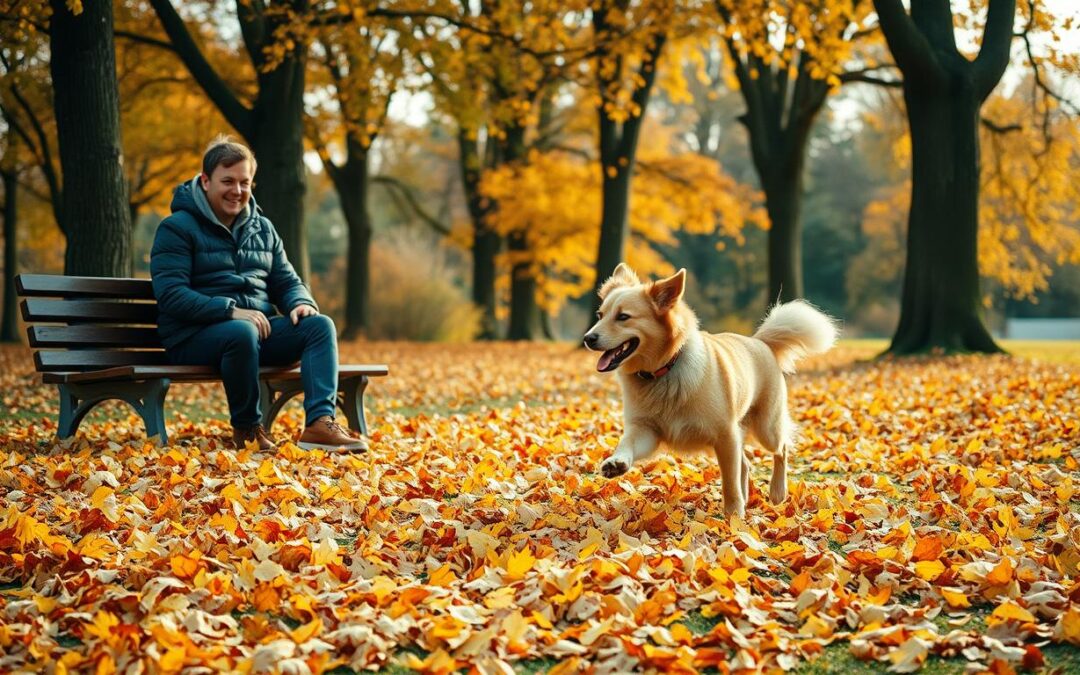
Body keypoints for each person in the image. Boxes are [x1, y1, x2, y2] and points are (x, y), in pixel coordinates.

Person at [150, 135, 366, 452]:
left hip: (254, 334)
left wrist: (300, 302)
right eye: (227, 181)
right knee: (241, 330)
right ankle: (248, 429)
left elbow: (286, 279)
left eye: (244, 182)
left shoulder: (263, 228)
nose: (237, 191)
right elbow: (171, 294)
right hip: (192, 337)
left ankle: (320, 424)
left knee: (319, 325)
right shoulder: (177, 228)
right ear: (206, 180)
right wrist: (230, 310)